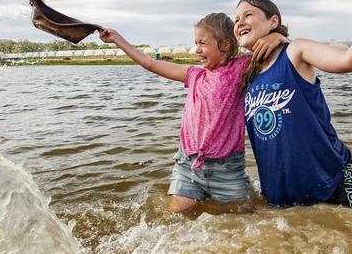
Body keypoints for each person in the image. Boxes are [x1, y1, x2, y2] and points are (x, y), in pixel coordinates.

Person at [99, 13, 285, 213]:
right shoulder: (194, 75)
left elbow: (278, 54)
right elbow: (149, 63)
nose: (197, 49)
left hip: (228, 170)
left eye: (203, 43)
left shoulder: (240, 68)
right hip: (188, 166)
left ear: (225, 45)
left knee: (242, 217)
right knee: (177, 216)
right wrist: (117, 39)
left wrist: (277, 37)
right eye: (196, 43)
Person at [234, 0, 352, 211]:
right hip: (282, 195)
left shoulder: (295, 51)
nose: (239, 22)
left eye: (248, 14)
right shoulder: (244, 74)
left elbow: (350, 61)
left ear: (273, 21)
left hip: (336, 182)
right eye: (236, 19)